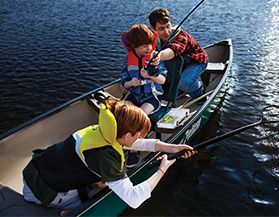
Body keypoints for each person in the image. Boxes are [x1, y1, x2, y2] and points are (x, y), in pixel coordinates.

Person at [22, 97, 196, 212]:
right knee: (103, 192)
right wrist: (162, 169)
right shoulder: (106, 156)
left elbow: (134, 143)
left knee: (105, 181)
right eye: (139, 134)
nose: (142, 138)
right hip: (42, 191)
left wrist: (172, 148)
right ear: (127, 135)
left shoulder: (103, 131)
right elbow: (134, 199)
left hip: (34, 171)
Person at [121, 24, 168, 167]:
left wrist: (150, 75)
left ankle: (135, 149)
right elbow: (123, 81)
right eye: (143, 46)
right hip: (134, 96)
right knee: (124, 112)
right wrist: (131, 83)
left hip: (151, 97)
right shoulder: (128, 59)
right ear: (134, 47)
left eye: (149, 44)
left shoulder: (155, 59)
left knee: (140, 115)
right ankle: (122, 141)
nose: (148, 48)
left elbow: (163, 80)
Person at [148, 7, 208, 99]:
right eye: (161, 29)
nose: (167, 32)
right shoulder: (153, 38)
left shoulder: (181, 36)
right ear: (154, 29)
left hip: (197, 61)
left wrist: (159, 55)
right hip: (178, 63)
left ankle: (200, 90)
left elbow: (174, 50)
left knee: (183, 83)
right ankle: (179, 89)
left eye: (168, 26)